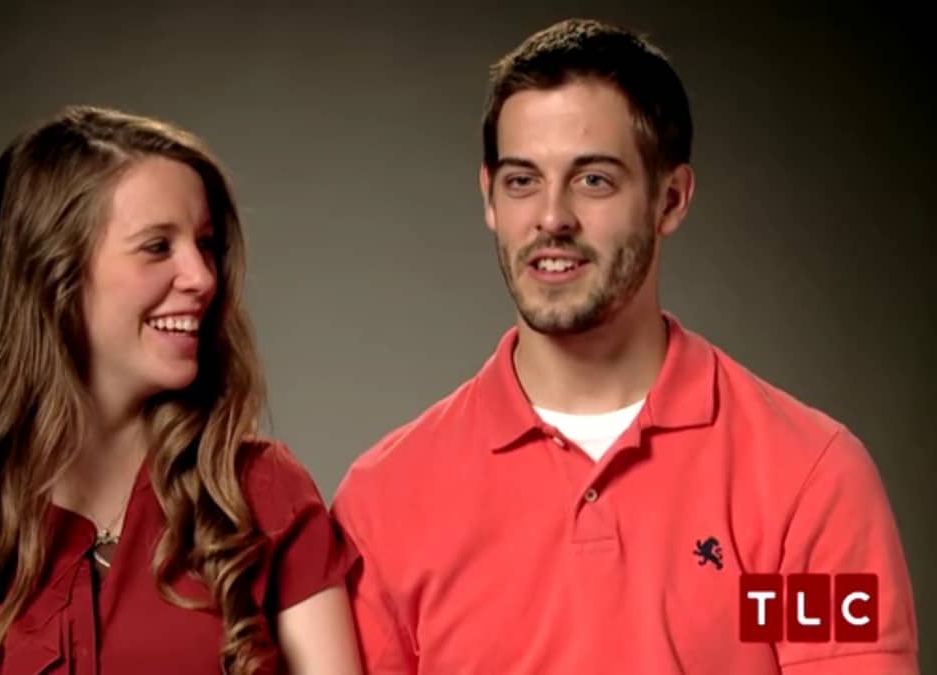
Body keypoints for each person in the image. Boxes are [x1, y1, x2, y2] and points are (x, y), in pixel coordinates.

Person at [331, 18, 918, 674]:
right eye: (522, 181)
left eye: (594, 180)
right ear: (489, 198)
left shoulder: (807, 480)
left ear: (671, 199)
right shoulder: (386, 500)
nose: (552, 217)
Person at [0, 106, 362, 675]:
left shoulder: (263, 492)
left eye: (205, 244)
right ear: (54, 272)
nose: (203, 277)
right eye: (157, 246)